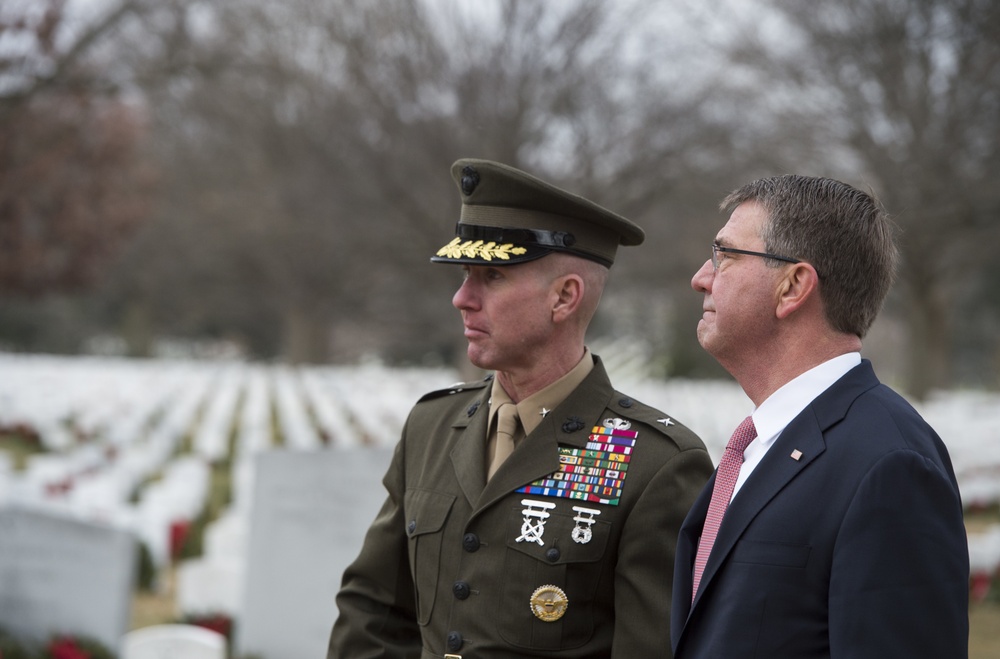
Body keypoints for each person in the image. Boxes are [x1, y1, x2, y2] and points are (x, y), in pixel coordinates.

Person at [328, 158, 713, 658]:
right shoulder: (433, 425)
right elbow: (372, 613)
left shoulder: (655, 463)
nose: (462, 298)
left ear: (565, 298)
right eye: (465, 274)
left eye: (491, 276)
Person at [671, 174, 970, 658]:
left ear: (792, 286)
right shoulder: (758, 444)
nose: (701, 277)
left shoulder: (890, 463)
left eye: (724, 255)